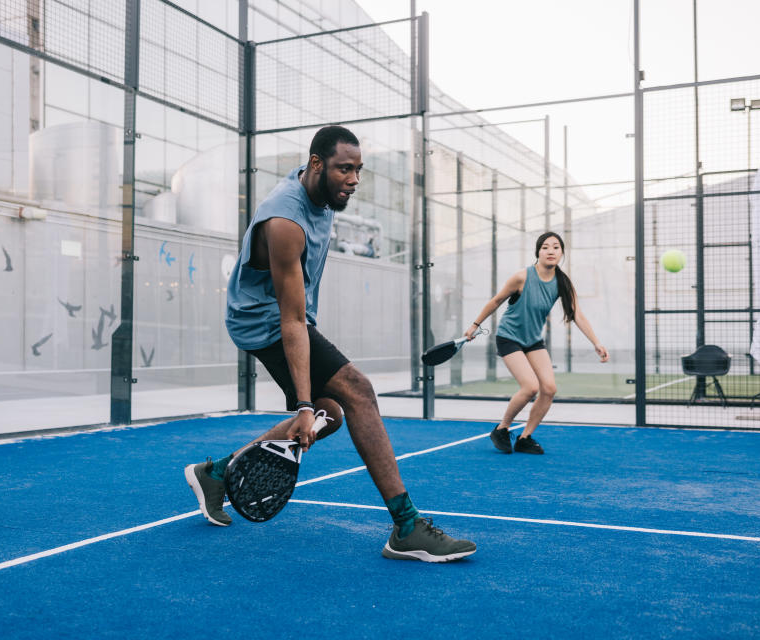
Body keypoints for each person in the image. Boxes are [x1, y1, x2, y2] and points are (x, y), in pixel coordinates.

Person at [184, 125, 477, 562]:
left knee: (332, 414)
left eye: (359, 170)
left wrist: (312, 410)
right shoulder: (284, 221)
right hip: (262, 321)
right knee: (358, 391)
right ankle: (407, 526)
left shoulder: (319, 189)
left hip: (283, 316)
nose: (354, 180)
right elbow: (292, 319)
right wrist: (302, 405)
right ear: (317, 164)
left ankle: (218, 473)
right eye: (344, 169)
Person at [464, 231, 609, 455]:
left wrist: (596, 343)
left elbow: (577, 314)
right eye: (545, 247)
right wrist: (474, 325)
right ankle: (502, 429)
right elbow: (496, 301)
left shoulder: (562, 283)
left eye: (556, 247)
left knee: (549, 389)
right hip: (508, 337)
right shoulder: (522, 277)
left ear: (561, 253)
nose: (551, 251)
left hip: (532, 340)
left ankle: (525, 437)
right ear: (538, 252)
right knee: (530, 386)